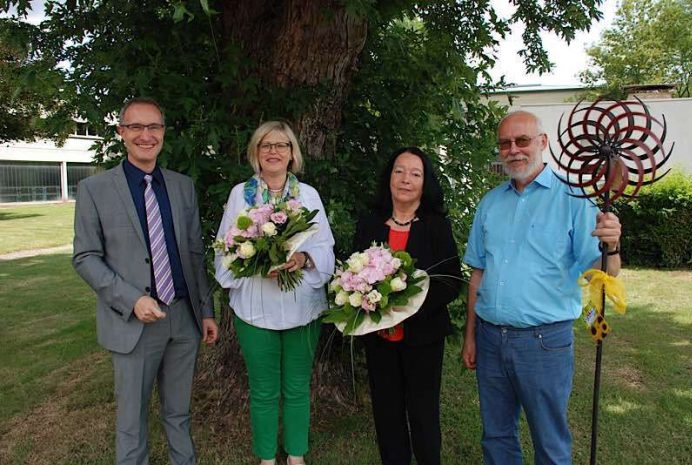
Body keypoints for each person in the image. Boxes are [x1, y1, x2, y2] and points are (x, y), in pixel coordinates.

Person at [461, 110, 622, 465]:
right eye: (505, 143)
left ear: (543, 143)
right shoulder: (489, 204)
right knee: (497, 436)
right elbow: (478, 274)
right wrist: (470, 336)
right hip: (490, 338)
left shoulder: (574, 199)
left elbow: (604, 271)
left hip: (543, 343)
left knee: (549, 441)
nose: (513, 150)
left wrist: (614, 245)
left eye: (522, 141)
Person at [72, 97, 219, 465]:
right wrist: (131, 299)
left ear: (163, 133)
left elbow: (194, 253)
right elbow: (85, 257)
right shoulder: (96, 190)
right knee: (131, 422)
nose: (146, 135)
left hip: (183, 319)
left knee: (179, 412)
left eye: (153, 127)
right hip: (132, 321)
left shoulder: (182, 186)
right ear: (122, 133)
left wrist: (206, 311)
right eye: (136, 127)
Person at [214, 121, 335, 465]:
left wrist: (303, 257)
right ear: (255, 152)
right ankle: (267, 458)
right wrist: (253, 261)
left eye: (281, 145)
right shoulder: (241, 194)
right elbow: (226, 244)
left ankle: (296, 456)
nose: (273, 151)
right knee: (264, 390)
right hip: (256, 305)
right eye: (266, 145)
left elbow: (325, 244)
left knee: (297, 387)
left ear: (292, 153)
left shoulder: (308, 195)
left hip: (301, 306)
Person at [353, 147, 463, 465]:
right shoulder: (370, 222)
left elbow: (450, 280)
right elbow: (353, 273)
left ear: (424, 182)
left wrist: (407, 305)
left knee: (423, 412)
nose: (406, 180)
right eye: (399, 171)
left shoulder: (435, 225)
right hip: (379, 338)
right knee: (386, 412)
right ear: (389, 177)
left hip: (423, 337)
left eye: (415, 174)